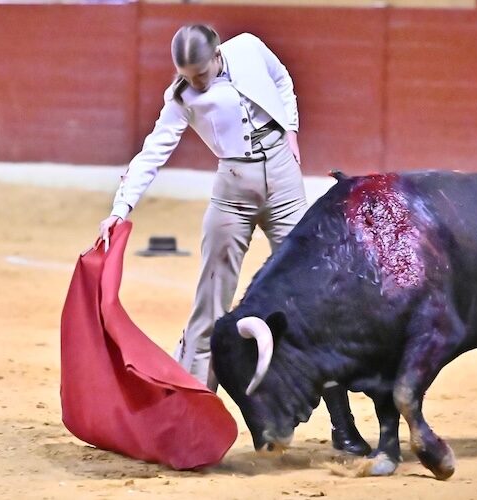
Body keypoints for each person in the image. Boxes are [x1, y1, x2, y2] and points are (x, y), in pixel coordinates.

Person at [97, 24, 370, 456]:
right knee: (210, 302)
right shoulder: (181, 97)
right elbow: (153, 151)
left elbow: (282, 79)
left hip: (284, 184)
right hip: (233, 190)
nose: (195, 83)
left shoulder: (248, 48)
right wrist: (120, 208)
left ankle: (344, 426)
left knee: (312, 300)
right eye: (187, 76)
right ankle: (190, 420)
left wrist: (291, 128)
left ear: (217, 54)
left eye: (200, 73)